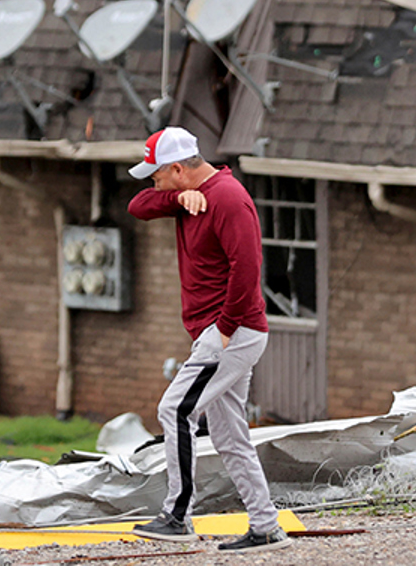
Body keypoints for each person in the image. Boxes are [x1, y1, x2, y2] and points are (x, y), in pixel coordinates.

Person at [124, 127, 290, 553]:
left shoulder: (228, 199)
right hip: (221, 333)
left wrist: (224, 330)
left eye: (157, 175)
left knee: (175, 410)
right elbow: (137, 205)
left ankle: (177, 515)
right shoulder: (190, 197)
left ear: (177, 168)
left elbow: (248, 269)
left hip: (230, 332)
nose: (152, 182)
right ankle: (266, 525)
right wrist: (176, 198)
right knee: (229, 435)